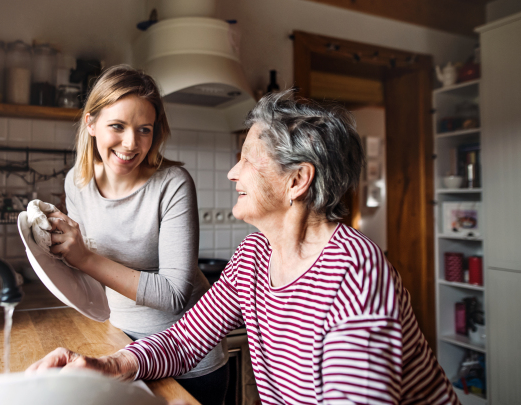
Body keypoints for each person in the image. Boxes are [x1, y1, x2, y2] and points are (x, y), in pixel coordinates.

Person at [29, 90, 460, 405]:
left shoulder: (355, 272)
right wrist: (109, 365)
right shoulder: (254, 255)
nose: (233, 172)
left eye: (248, 160)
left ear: (297, 181)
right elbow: (184, 339)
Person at [40, 65, 229, 404]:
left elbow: (173, 295)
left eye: (144, 129)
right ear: (91, 123)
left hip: (189, 359)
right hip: (121, 344)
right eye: (117, 126)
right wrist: (54, 247)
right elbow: (89, 276)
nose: (131, 143)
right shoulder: (77, 183)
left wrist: (83, 255)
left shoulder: (173, 185)